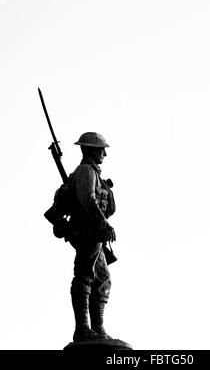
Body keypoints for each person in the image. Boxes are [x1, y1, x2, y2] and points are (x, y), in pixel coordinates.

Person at [67, 132, 116, 342]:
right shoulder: (86, 171)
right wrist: (104, 224)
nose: (104, 153)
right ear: (90, 151)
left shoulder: (93, 172)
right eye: (100, 149)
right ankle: (83, 328)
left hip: (95, 233)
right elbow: (88, 199)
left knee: (102, 278)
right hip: (87, 231)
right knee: (85, 275)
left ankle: (98, 328)